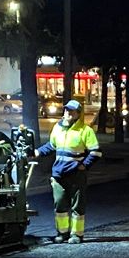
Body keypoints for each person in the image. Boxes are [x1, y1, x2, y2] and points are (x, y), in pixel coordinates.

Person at [35, 98, 101, 243]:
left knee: (77, 206)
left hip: (76, 174)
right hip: (59, 174)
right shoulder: (57, 128)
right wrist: (37, 152)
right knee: (59, 205)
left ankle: (76, 235)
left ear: (78, 114)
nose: (68, 113)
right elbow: (51, 146)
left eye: (72, 111)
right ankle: (62, 233)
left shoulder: (85, 131)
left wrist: (84, 165)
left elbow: (96, 152)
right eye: (66, 110)